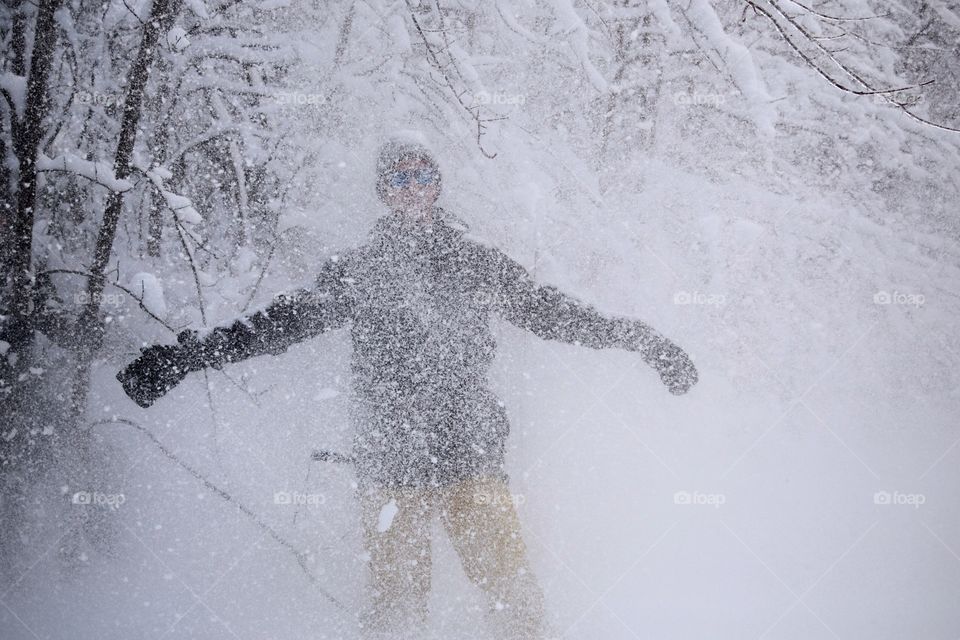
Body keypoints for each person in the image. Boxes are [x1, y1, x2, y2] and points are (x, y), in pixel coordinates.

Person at [117, 133, 699, 639]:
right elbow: (278, 324)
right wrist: (185, 358)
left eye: (423, 176)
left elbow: (554, 312)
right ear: (383, 191)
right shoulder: (360, 270)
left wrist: (643, 341)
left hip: (471, 455)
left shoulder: (475, 262)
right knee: (394, 614)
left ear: (437, 185)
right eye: (399, 178)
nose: (412, 188)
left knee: (513, 601)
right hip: (390, 462)